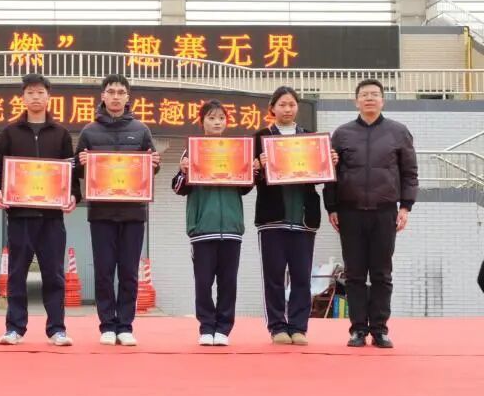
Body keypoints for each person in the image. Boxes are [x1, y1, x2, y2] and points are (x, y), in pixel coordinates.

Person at [324, 79, 418, 348]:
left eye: (374, 94)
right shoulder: (342, 134)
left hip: (384, 212)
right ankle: (357, 329)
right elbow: (330, 173)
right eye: (364, 95)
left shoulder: (398, 132)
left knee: (381, 273)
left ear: (382, 100)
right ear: (356, 101)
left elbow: (409, 173)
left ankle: (379, 329)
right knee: (354, 274)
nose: (369, 98)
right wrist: (332, 207)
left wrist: (405, 206)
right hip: (350, 212)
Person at [0, 73, 80, 346]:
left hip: (52, 217)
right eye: (30, 92)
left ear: (48, 97)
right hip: (20, 215)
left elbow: (70, 172)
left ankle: (57, 329)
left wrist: (74, 195)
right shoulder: (9, 133)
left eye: (40, 92)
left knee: (54, 274)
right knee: (17, 273)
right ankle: (14, 328)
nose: (36, 97)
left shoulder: (61, 134)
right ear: (23, 98)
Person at [74, 74, 160, 346]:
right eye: (110, 91)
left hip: (133, 213)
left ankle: (125, 325)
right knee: (103, 271)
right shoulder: (89, 131)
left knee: (129, 272)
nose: (115, 96)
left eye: (120, 92)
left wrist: (154, 163)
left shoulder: (141, 130)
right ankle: (107, 326)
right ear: (102, 96)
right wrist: (81, 162)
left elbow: (151, 167)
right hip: (101, 213)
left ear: (127, 97)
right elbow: (76, 169)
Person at [253, 86, 338, 346]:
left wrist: (330, 163)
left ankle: (299, 327)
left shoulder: (310, 139)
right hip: (272, 218)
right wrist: (258, 167)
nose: (287, 109)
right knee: (274, 276)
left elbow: (322, 178)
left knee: (302, 276)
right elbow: (249, 178)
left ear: (297, 107)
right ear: (272, 108)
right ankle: (277, 326)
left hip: (303, 218)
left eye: (291, 104)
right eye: (282, 104)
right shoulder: (261, 137)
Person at [172, 100, 251, 346]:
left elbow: (245, 187)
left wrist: (252, 169)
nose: (217, 123)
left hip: (232, 228)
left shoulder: (237, 150)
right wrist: (184, 171)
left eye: (221, 118)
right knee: (203, 282)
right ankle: (206, 327)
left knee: (228, 282)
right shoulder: (192, 151)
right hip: (202, 229)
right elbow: (178, 188)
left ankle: (223, 329)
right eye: (211, 118)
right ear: (202, 122)